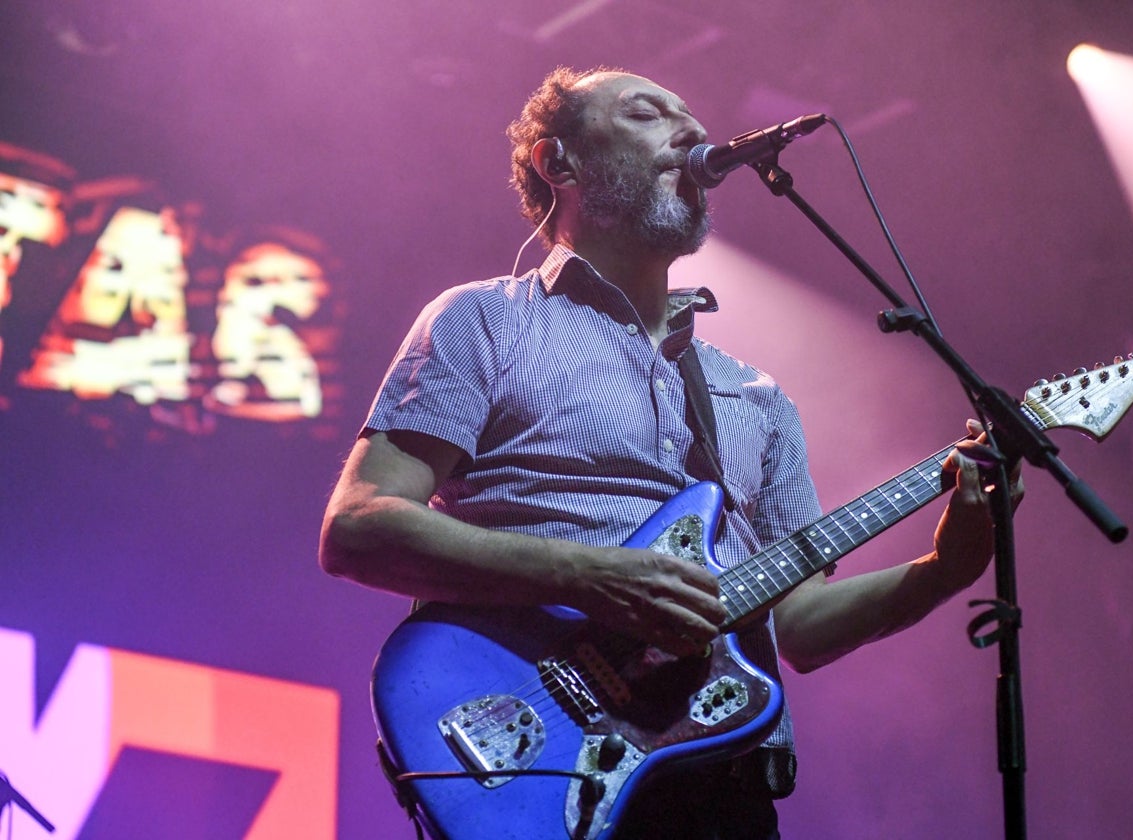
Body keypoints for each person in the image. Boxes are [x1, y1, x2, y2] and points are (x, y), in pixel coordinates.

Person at [319, 66, 1022, 840]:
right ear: (561, 163)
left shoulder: (756, 398)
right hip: (541, 760)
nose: (691, 133)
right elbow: (358, 526)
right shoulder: (484, 321)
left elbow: (804, 626)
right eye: (648, 114)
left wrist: (944, 569)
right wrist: (589, 576)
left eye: (691, 116)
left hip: (721, 784)